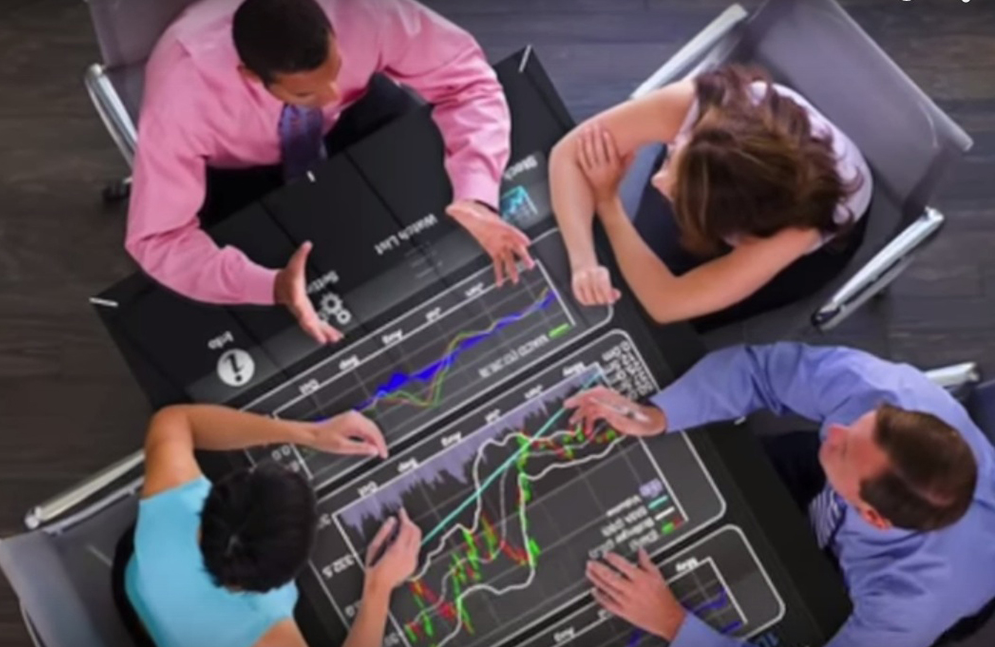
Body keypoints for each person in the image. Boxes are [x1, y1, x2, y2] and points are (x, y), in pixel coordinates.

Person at [127, 0, 532, 344]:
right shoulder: (181, 99)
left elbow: (469, 82)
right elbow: (159, 239)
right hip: (240, 171)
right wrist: (267, 285)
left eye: (336, 69)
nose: (330, 94)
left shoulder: (364, 12)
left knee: (432, 193)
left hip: (356, 114)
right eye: (306, 92)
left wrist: (476, 189)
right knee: (271, 312)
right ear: (251, 77)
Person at [565, 343, 995, 647]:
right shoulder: (880, 392)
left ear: (872, 516)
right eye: (859, 423)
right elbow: (763, 372)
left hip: (881, 583)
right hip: (832, 484)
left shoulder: (906, 606)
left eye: (844, 448)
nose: (834, 429)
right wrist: (657, 414)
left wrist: (675, 625)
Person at [549, 65, 874, 331]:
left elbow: (666, 303)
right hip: (732, 186)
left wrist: (609, 203)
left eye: (679, 191)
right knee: (634, 265)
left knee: (658, 322)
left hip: (809, 244)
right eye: (672, 157)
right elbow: (568, 153)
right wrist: (583, 262)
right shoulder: (702, 104)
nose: (658, 180)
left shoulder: (796, 228)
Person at [112, 405, 422, 647]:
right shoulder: (267, 630)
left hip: (139, 595)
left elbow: (174, 419)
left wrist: (311, 433)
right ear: (285, 576)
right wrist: (379, 587)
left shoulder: (173, 496)